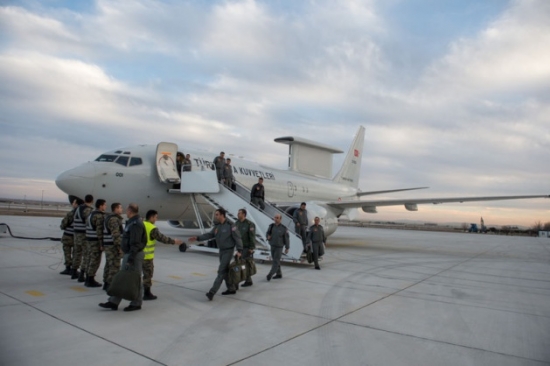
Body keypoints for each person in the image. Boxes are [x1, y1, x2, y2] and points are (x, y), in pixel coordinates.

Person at [99, 203, 146, 312]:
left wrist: (131, 258)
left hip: (133, 254)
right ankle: (113, 302)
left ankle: (136, 303)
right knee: (123, 278)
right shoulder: (132, 222)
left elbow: (135, 243)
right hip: (129, 253)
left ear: (130, 211)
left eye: (126, 210)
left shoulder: (136, 224)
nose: (125, 211)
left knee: (135, 279)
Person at [189, 208, 243, 301]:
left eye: (217, 214)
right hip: (221, 251)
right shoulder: (217, 226)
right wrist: (197, 238)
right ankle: (231, 288)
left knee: (221, 271)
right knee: (225, 271)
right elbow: (209, 235)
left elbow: (238, 238)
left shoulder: (231, 226)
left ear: (222, 215)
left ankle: (212, 292)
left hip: (228, 251)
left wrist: (239, 250)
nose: (216, 216)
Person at [142, 209, 183, 300]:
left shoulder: (141, 224)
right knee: (147, 275)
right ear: (151, 217)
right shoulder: (152, 228)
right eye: (156, 217)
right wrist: (173, 241)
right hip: (147, 257)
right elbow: (162, 238)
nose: (156, 219)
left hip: (138, 255)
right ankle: (146, 293)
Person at [84, 199, 107, 287]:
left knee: (89, 259)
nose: (105, 206)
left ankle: (88, 278)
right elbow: (99, 231)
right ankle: (90, 279)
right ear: (100, 206)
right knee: (95, 260)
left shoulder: (91, 214)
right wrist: (102, 244)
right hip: (95, 241)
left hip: (89, 240)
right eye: (104, 205)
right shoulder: (99, 216)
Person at [102, 202, 124, 291]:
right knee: (114, 266)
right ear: (116, 209)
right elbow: (115, 235)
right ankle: (111, 285)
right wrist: (119, 247)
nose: (122, 209)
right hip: (112, 246)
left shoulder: (109, 217)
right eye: (120, 208)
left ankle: (106, 283)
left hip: (108, 245)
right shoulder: (114, 219)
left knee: (108, 265)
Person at [72, 194, 94, 281]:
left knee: (77, 253)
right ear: (92, 201)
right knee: (86, 255)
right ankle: (82, 274)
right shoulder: (88, 210)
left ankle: (73, 272)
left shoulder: (77, 209)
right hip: (83, 235)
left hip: (76, 234)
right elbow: (88, 222)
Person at [59, 199, 80, 275]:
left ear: (77, 204)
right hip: (77, 237)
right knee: (76, 254)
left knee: (67, 253)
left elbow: (63, 224)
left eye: (74, 202)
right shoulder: (82, 214)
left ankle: (68, 268)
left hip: (68, 236)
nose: (72, 203)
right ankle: (74, 269)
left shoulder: (71, 213)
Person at [235, 208, 255, 287]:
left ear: (244, 214)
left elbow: (252, 237)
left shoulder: (249, 224)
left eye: (239, 213)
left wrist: (251, 248)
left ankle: (237, 282)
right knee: (242, 265)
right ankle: (248, 280)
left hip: (246, 248)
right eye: (238, 213)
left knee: (241, 265)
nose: (238, 214)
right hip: (239, 248)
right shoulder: (236, 223)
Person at [266, 214, 289, 281]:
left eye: (277, 218)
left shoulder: (284, 228)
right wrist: (268, 236)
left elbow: (286, 239)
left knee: (275, 261)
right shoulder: (271, 226)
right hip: (272, 245)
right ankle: (279, 274)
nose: (275, 219)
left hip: (279, 247)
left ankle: (270, 274)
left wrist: (287, 248)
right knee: (276, 260)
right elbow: (267, 233)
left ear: (280, 219)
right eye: (275, 217)